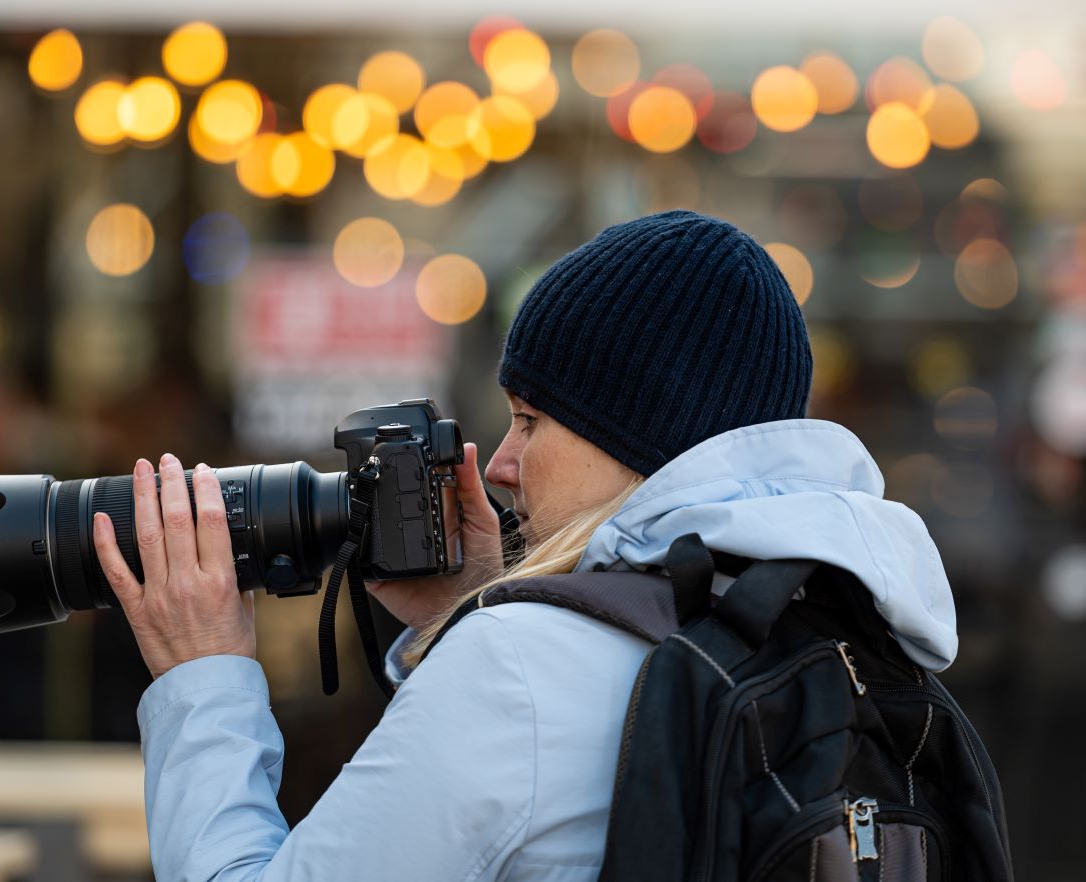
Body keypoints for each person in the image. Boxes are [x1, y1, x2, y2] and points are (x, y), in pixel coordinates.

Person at [91, 210, 958, 880]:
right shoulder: (830, 614)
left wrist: (202, 673)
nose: (500, 463)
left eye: (531, 421)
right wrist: (466, 617)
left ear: (637, 437)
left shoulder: (520, 669)